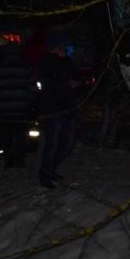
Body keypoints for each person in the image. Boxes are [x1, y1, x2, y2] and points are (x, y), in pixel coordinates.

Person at [0, 37, 37, 168]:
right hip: (21, 107)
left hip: (4, 107)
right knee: (20, 134)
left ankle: (9, 160)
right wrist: (29, 101)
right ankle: (20, 160)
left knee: (6, 134)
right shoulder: (26, 68)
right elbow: (32, 88)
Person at [37, 40, 79, 188]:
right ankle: (45, 174)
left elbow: (76, 78)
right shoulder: (46, 62)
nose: (63, 48)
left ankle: (51, 169)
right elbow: (47, 84)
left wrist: (77, 83)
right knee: (53, 142)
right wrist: (65, 83)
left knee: (68, 142)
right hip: (52, 109)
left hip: (68, 107)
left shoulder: (67, 61)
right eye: (60, 44)